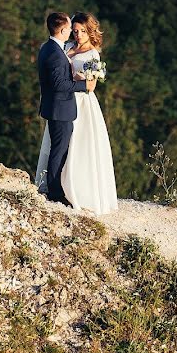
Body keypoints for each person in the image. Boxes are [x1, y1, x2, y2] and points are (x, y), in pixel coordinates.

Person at [35, 11, 118, 215]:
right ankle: (56, 187)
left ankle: (78, 190)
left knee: (79, 147)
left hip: (81, 103)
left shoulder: (92, 55)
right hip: (64, 101)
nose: (78, 34)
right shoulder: (67, 47)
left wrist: (81, 81)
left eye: (82, 31)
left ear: (90, 31)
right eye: (75, 30)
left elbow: (91, 86)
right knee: (59, 146)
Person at [35, 12, 95, 204]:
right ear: (62, 30)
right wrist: (83, 85)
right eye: (70, 29)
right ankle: (54, 192)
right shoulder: (55, 52)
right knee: (59, 150)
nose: (72, 33)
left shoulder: (50, 48)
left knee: (59, 149)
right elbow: (59, 84)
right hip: (60, 108)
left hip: (59, 107)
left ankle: (56, 187)